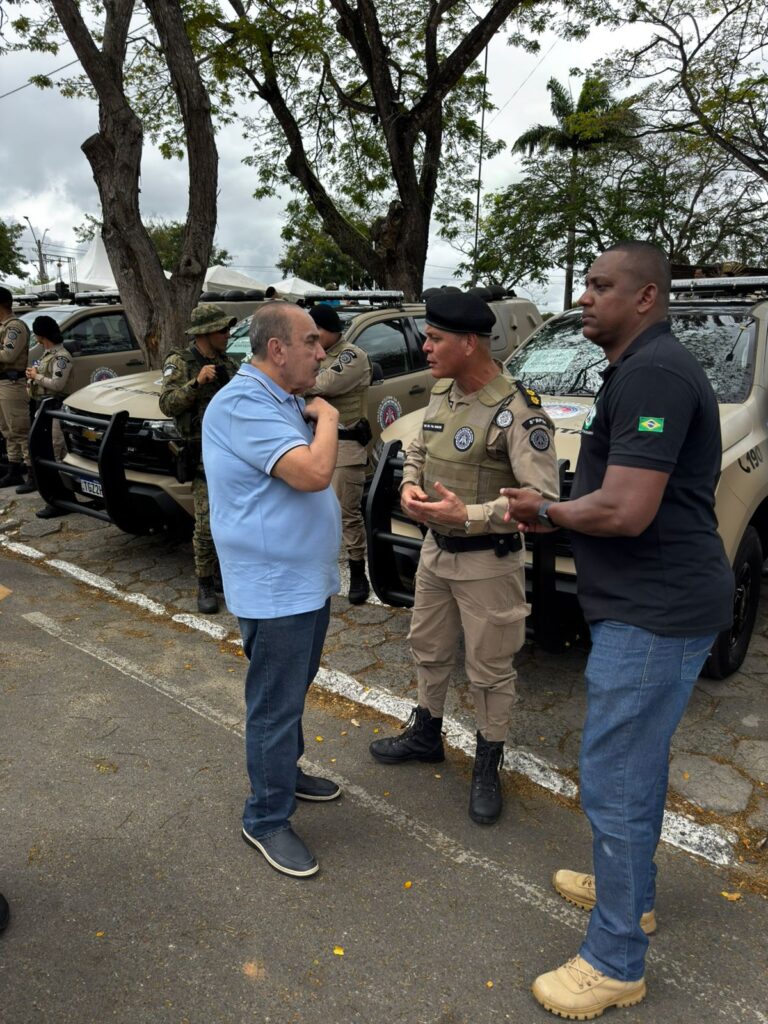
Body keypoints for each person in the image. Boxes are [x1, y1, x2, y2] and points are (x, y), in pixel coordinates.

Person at [502, 241, 733, 1020]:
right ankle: (630, 894)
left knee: (617, 778)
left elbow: (627, 509)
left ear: (645, 297)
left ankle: (614, 961)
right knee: (635, 765)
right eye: (585, 284)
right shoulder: (638, 368)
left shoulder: (656, 372)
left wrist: (547, 512)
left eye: (602, 286)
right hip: (648, 603)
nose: (585, 297)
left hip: (655, 610)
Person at [369, 292, 559, 825]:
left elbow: (542, 503)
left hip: (487, 562)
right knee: (427, 648)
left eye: (436, 339)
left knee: (489, 670)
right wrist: (409, 488)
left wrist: (469, 516)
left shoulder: (519, 410)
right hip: (437, 552)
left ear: (469, 343)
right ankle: (427, 735)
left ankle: (487, 763)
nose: (425, 347)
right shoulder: (443, 393)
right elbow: (420, 452)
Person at [202, 302, 342, 878]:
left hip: (303, 582)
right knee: (274, 704)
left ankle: (284, 770)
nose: (321, 350)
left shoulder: (278, 400)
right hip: (276, 588)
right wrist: (328, 420)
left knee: (292, 690)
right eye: (311, 341)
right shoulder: (241, 404)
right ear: (277, 349)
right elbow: (311, 473)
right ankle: (265, 817)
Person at [159, 303, 239, 614]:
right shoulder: (181, 362)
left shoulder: (228, 363)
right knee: (205, 526)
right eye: (222, 329)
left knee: (231, 521)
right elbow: (167, 404)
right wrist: (197, 383)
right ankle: (204, 582)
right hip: (201, 456)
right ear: (205, 333)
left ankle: (223, 574)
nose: (227, 334)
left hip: (230, 454)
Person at [306, 302, 372, 604]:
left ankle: (358, 572)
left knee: (347, 513)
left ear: (328, 330)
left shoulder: (351, 356)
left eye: (315, 333)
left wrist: (297, 381)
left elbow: (323, 384)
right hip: (316, 441)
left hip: (346, 445)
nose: (313, 339)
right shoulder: (317, 354)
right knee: (317, 513)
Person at [22, 315, 74, 515]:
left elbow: (58, 385)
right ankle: (58, 496)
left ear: (41, 335)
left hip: (57, 408)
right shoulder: (47, 354)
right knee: (48, 451)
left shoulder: (61, 357)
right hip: (44, 407)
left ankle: (64, 498)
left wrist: (37, 376)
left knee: (56, 451)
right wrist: (33, 376)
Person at [0, 286, 31, 490]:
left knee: (20, 429)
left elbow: (8, 356)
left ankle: (34, 474)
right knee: (7, 430)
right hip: (2, 383)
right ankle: (14, 470)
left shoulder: (14, 327)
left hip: (12, 383)